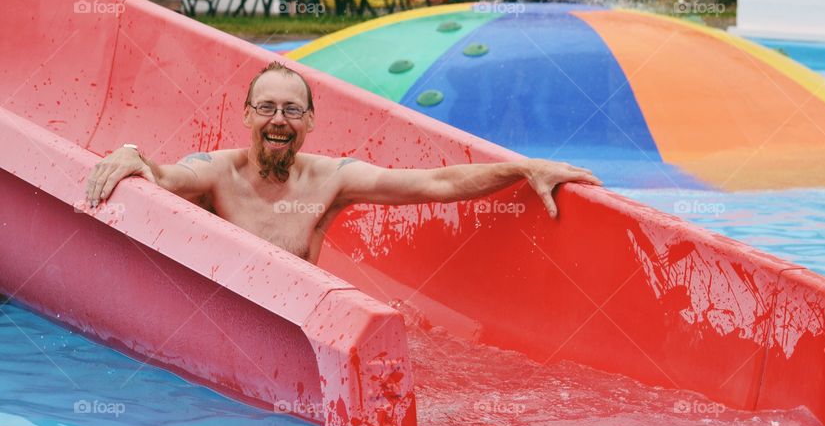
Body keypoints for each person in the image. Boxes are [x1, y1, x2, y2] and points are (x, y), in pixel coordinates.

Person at [85, 61, 602, 262]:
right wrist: (131, 154)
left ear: (310, 121)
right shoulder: (218, 171)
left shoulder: (333, 179)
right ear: (247, 114)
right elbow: (165, 176)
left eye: (292, 110)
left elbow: (436, 184)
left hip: (300, 328)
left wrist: (523, 168)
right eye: (266, 107)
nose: (278, 119)